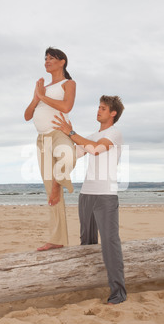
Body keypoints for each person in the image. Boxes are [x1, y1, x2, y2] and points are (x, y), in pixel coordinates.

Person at [52, 96, 127, 304]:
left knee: (110, 243)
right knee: (87, 243)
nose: (98, 110)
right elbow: (73, 154)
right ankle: (90, 283)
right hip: (86, 195)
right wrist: (57, 141)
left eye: (103, 108)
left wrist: (72, 133)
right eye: (98, 107)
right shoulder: (93, 135)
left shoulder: (114, 134)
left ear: (113, 113)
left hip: (106, 196)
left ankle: (118, 293)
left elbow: (95, 149)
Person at [24, 47, 76, 252]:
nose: (46, 61)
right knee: (52, 196)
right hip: (42, 140)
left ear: (62, 62)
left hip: (58, 133)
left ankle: (58, 182)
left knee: (69, 156)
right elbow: (27, 115)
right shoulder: (42, 88)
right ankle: (57, 239)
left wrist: (42, 96)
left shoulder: (68, 83)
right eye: (45, 58)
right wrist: (37, 96)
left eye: (51, 58)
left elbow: (66, 107)